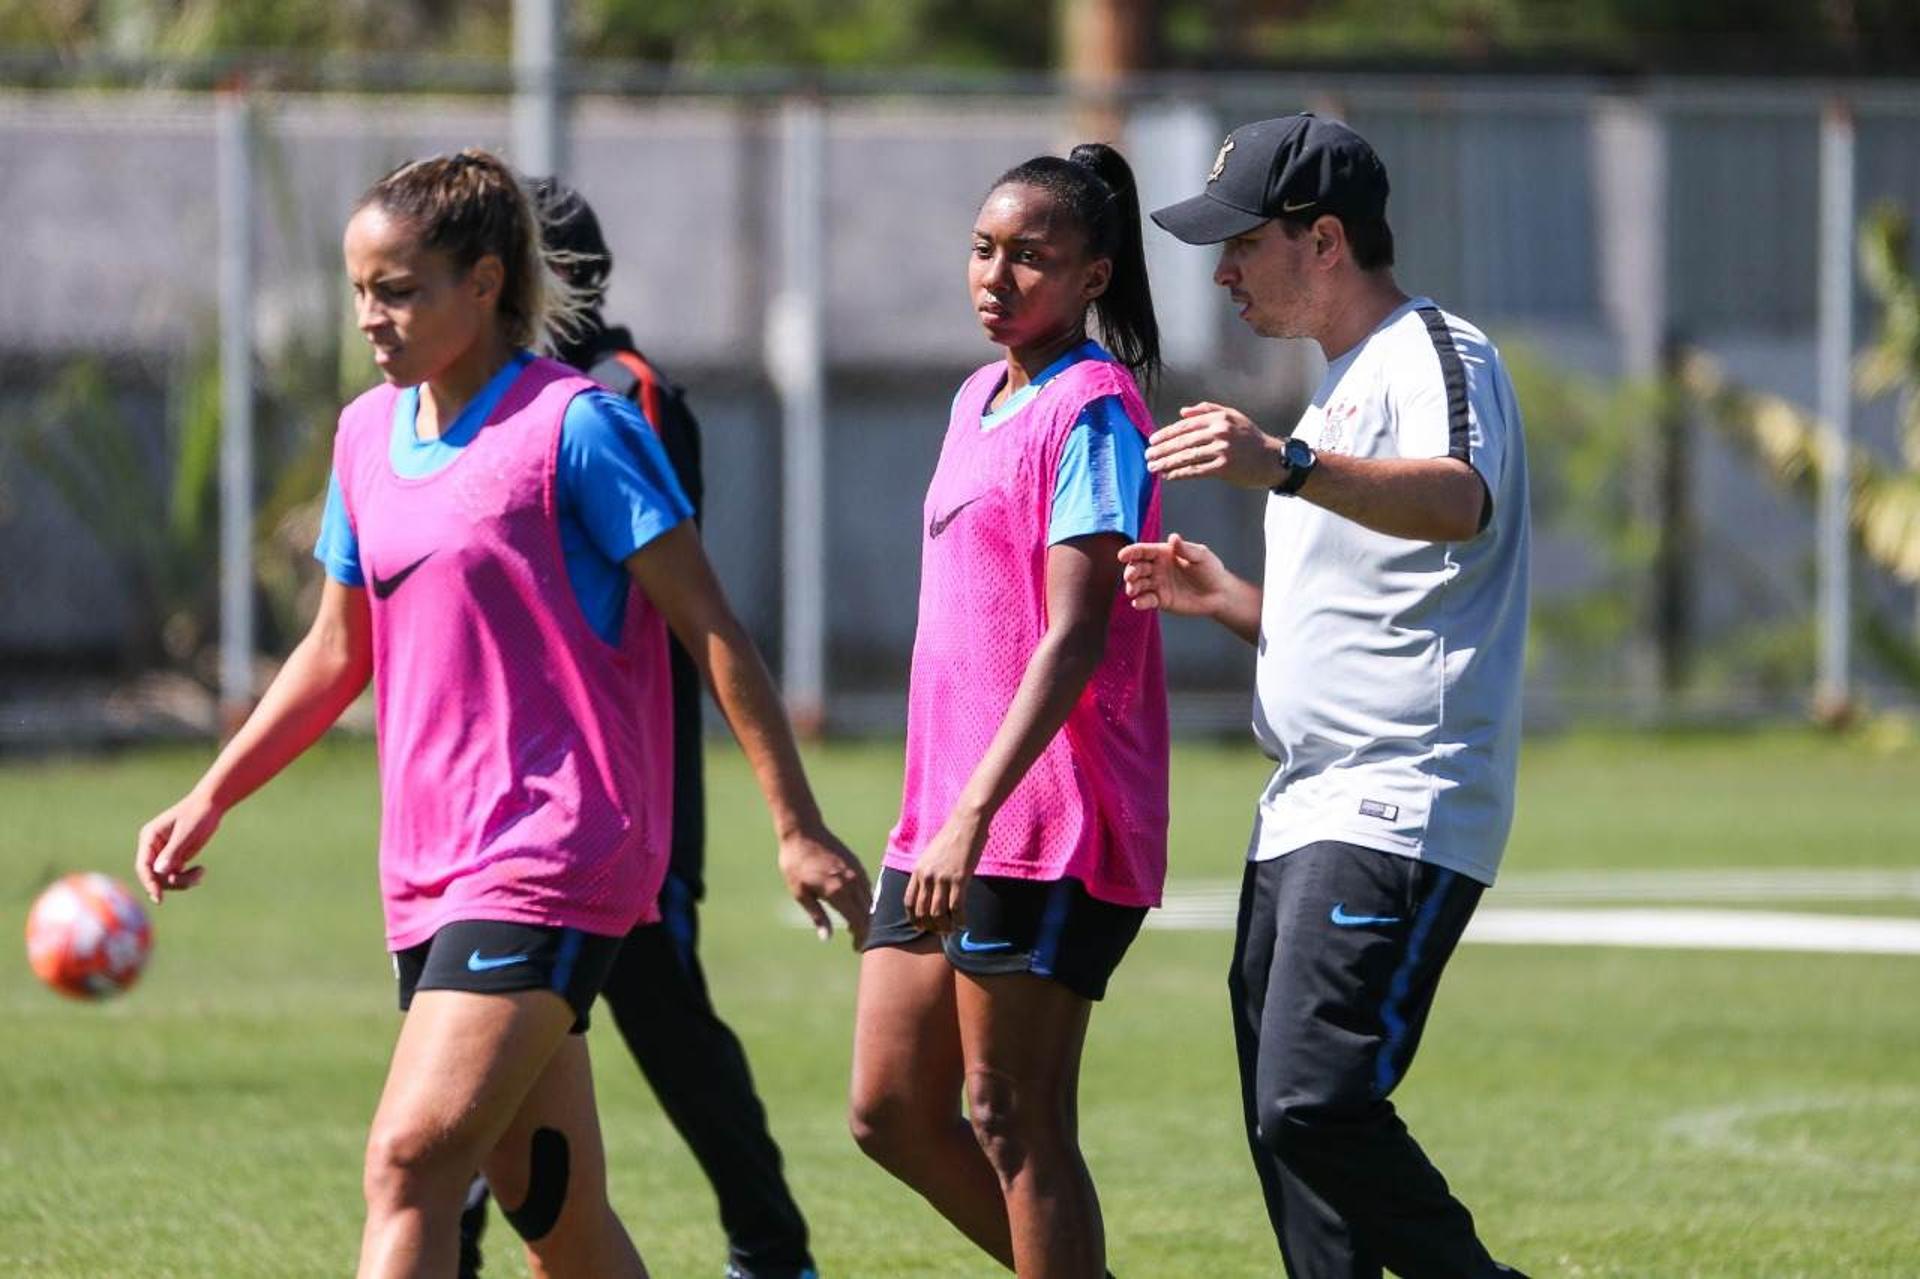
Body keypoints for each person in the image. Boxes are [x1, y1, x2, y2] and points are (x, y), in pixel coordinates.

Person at [133, 148, 871, 1279]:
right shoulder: (364, 437)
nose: (371, 318)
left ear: (484, 284)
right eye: (360, 291)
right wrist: (212, 791)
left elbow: (714, 628)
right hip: (427, 864)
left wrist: (797, 823)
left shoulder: (579, 428)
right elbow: (337, 652)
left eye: (399, 289)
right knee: (558, 1216)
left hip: (555, 846)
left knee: (411, 1162)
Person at [1120, 113, 1531, 1278]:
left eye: (1243, 241)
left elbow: (1461, 499)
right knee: (1281, 1128)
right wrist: (1234, 600)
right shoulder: (1337, 390)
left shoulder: (1438, 352)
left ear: (1326, 240)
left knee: (1314, 1101)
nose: (1222, 270)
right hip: (1303, 808)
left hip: (1398, 802)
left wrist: (1288, 467)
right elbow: (1373, 613)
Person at [452, 177, 822, 1279]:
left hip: (623, 787)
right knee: (482, 1033)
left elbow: (675, 600)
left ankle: (771, 1244)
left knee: (666, 1027)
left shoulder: (621, 397)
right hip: (511, 793)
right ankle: (450, 1239)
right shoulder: (483, 400)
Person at [847, 142, 1169, 1279]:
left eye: (1031, 258)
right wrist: (947, 812)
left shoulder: (1093, 410)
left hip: (1040, 819)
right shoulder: (977, 394)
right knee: (888, 1109)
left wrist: (973, 814)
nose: (997, 277)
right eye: (984, 251)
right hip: (945, 811)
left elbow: (1074, 634)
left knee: (1013, 1117)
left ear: (1093, 276)